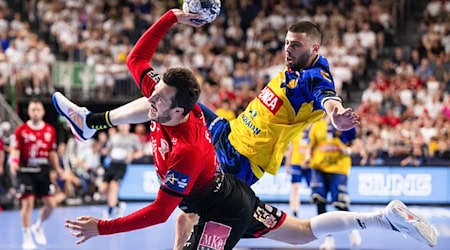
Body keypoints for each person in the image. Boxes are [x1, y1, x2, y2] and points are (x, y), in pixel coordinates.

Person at [60, 9, 437, 249]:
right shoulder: (285, 71)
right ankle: (91, 123)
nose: (288, 50)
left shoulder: (313, 78)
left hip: (241, 162)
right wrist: (175, 15)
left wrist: (336, 114)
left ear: (316, 47)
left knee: (187, 212)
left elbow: (328, 97)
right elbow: (138, 61)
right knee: (299, 233)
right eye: (287, 43)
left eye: (296, 45)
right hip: (229, 130)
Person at [9, 99, 66, 250]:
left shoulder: (49, 130)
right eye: (32, 109)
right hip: (26, 171)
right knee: (28, 204)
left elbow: (52, 153)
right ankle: (26, 237)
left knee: (51, 205)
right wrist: (14, 161)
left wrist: (58, 169)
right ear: (28, 111)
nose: (35, 112)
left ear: (43, 112)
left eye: (38, 109)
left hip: (43, 170)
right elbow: (16, 148)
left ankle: (38, 226)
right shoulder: (21, 130)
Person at [305, 116, 361, 249]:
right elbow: (311, 145)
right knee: (319, 201)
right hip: (318, 167)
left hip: (338, 168)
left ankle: (353, 230)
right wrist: (307, 158)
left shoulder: (345, 124)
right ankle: (328, 239)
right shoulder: (317, 125)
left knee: (340, 203)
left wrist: (347, 150)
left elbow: (357, 145)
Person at [99, 124, 142, 219]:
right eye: (121, 124)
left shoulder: (133, 138)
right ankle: (118, 204)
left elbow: (140, 152)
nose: (123, 126)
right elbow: (108, 150)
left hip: (122, 165)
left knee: (113, 188)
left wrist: (132, 156)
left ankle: (109, 213)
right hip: (112, 164)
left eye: (125, 124)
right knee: (102, 189)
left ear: (129, 126)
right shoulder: (113, 137)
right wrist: (105, 151)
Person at [284, 126, 312, 218]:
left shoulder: (312, 134)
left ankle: (320, 211)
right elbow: (291, 150)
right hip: (296, 164)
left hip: (309, 164)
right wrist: (287, 164)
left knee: (314, 189)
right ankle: (294, 211)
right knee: (295, 188)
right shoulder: (296, 133)